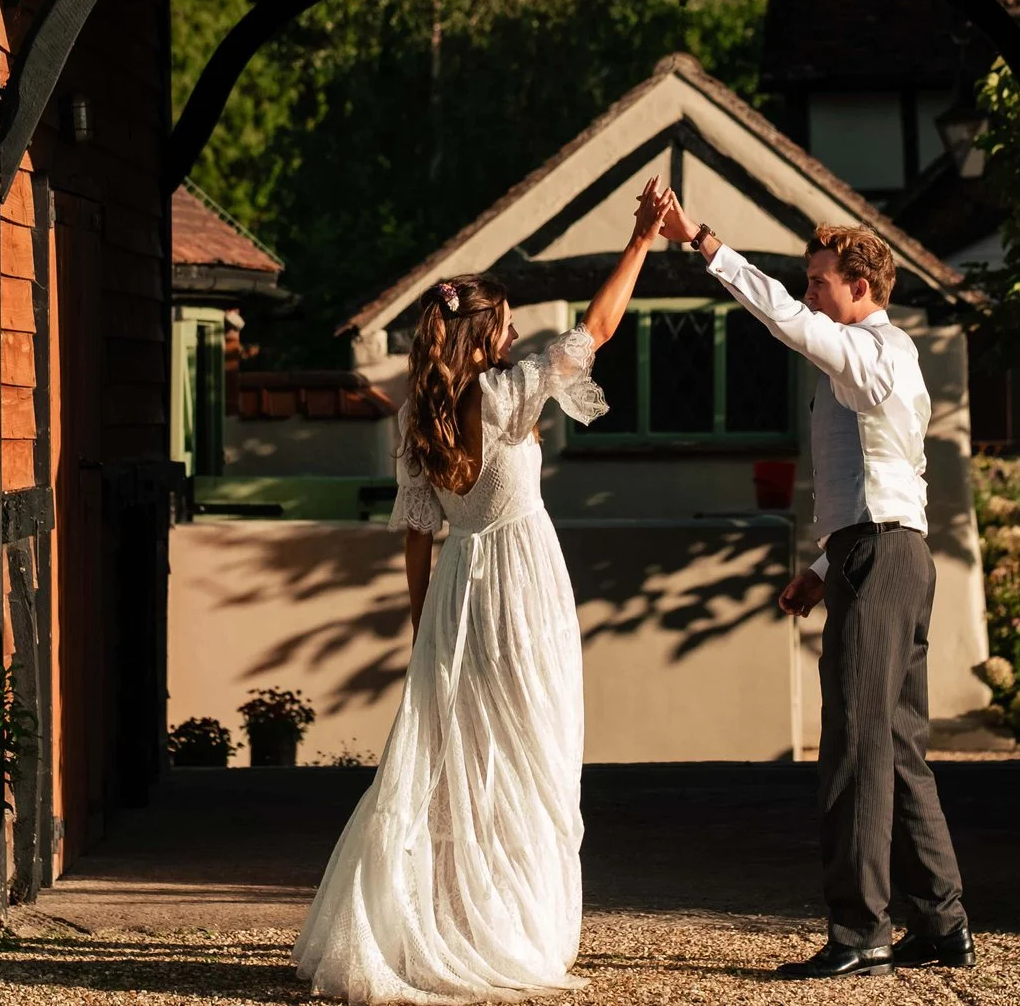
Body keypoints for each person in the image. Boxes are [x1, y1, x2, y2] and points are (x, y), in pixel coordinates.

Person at [294, 178, 667, 1004]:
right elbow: (598, 327)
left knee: (460, 758)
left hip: (460, 592)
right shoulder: (503, 395)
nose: (510, 333)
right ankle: (505, 926)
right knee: (527, 751)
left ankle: (450, 919)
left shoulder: (419, 419)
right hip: (521, 590)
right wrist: (640, 239)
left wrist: (424, 627)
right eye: (500, 322)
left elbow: (418, 537)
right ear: (482, 331)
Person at [654, 190, 971, 981]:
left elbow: (783, 322)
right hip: (887, 555)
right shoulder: (876, 362)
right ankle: (942, 922)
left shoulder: (872, 352)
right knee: (896, 748)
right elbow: (891, 484)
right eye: (808, 280)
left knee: (855, 748)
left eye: (819, 280)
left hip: (885, 561)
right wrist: (825, 569)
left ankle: (861, 931)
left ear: (861, 287)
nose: (808, 295)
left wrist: (702, 241)